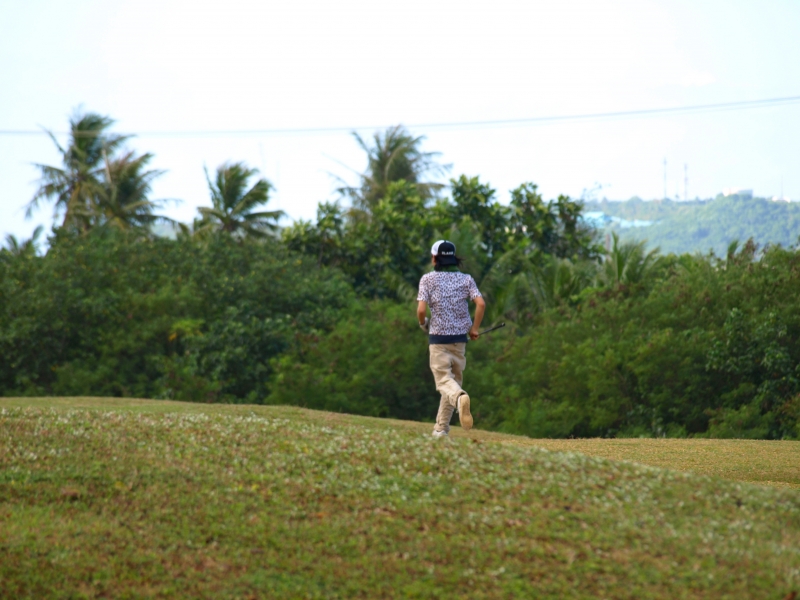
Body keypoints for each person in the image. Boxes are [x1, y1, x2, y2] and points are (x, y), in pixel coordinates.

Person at [417, 240, 485, 437]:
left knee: (444, 383)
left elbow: (421, 310)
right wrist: (474, 328)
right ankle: (441, 430)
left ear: (435, 258)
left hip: (438, 339)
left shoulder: (427, 279)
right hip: (459, 340)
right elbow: (480, 304)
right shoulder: (466, 279)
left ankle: (460, 398)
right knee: (452, 381)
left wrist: (423, 324)